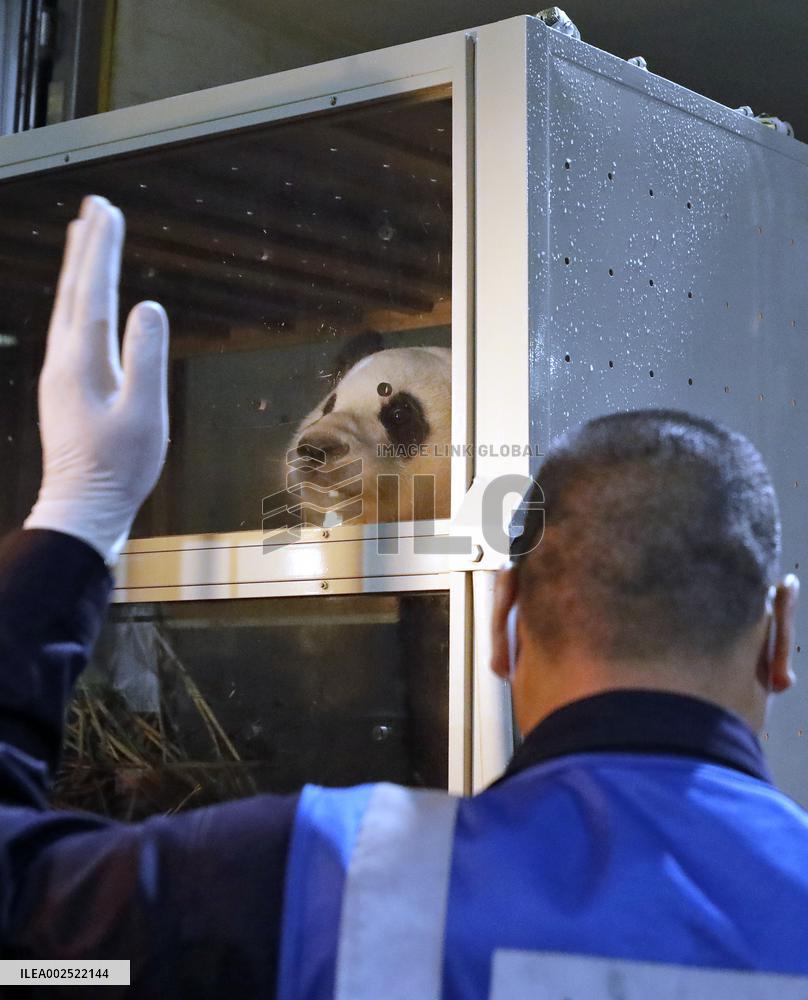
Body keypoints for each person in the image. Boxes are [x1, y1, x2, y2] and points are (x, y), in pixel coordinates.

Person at [1, 195, 807, 998]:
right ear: (780, 639)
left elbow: (34, 959)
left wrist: (76, 519)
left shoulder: (324, 876)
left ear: (502, 618)